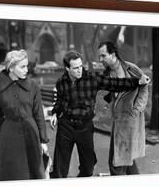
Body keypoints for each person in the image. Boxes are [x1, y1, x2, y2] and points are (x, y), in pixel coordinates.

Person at [49, 50, 149, 178]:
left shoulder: (92, 79)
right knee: (59, 170)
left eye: (81, 66)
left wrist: (137, 82)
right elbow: (60, 100)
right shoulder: (61, 82)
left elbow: (115, 84)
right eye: (75, 68)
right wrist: (54, 113)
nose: (80, 70)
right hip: (66, 127)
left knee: (88, 168)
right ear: (67, 68)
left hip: (84, 127)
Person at [0, 49, 49, 181]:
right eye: (22, 66)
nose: (26, 70)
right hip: (9, 137)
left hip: (31, 134)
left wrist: (43, 140)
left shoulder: (33, 86)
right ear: (11, 67)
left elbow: (38, 113)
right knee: (12, 173)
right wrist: (7, 129)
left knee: (34, 172)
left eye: (27, 66)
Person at [98, 41, 149, 175]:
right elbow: (107, 96)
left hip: (131, 120)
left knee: (117, 163)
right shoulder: (106, 75)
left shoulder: (131, 69)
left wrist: (137, 108)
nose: (100, 59)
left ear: (113, 54)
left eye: (103, 56)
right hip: (118, 121)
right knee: (126, 159)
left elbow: (144, 86)